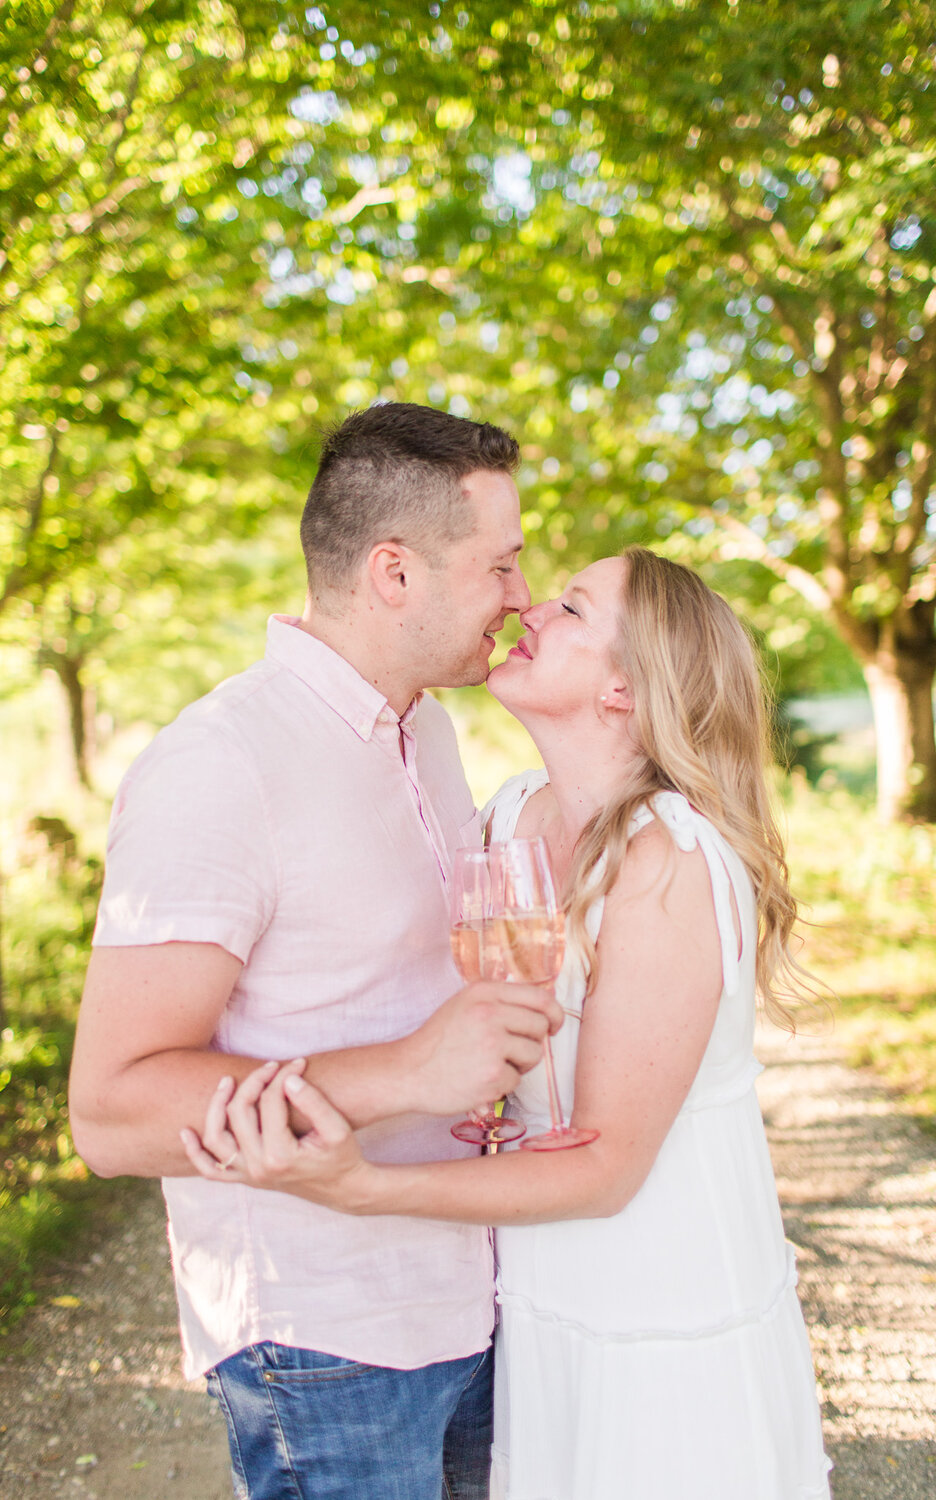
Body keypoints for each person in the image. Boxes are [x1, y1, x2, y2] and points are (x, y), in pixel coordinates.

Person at [183, 546, 835, 1500]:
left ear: (625, 690)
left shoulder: (670, 864)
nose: (529, 611)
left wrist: (360, 1185)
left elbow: (608, 1169)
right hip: (535, 1285)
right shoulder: (511, 818)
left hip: (653, 1294)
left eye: (571, 608)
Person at [68, 402, 565, 1500]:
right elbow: (110, 1112)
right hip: (323, 1337)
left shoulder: (426, 729)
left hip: (465, 1289)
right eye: (503, 566)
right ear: (395, 573)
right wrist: (409, 1072)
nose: (523, 598)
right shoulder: (220, 765)